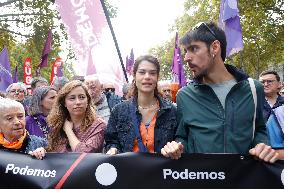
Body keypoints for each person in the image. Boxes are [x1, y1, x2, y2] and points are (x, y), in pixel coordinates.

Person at [161, 22, 278, 163]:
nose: (186, 58)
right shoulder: (184, 95)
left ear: (214, 47)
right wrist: (177, 147)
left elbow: (259, 129)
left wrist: (261, 145)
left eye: (194, 49)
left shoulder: (254, 88)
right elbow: (183, 137)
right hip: (201, 180)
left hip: (244, 180)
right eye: (186, 51)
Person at [105, 55, 177, 155]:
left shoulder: (172, 111)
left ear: (157, 77)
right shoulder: (118, 111)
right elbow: (111, 141)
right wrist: (113, 149)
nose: (147, 77)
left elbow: (180, 139)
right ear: (134, 75)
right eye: (142, 72)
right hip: (128, 169)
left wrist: (176, 146)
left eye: (152, 73)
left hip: (162, 170)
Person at [47, 80, 106, 153]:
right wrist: (41, 151)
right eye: (72, 98)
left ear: (87, 100)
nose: (78, 102)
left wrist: (68, 130)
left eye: (82, 97)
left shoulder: (99, 125)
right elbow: (51, 151)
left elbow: (83, 154)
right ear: (64, 103)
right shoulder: (57, 124)